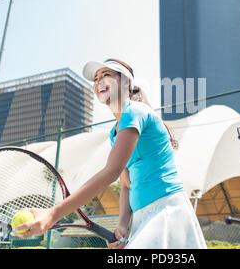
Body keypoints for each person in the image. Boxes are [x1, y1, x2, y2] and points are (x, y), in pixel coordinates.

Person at [13, 58, 206, 249]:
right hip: (143, 216)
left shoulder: (136, 112)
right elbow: (126, 185)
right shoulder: (115, 133)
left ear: (126, 82)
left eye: (106, 75)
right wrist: (122, 225)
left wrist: (53, 214)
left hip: (166, 209)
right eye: (96, 78)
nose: (99, 82)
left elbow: (111, 171)